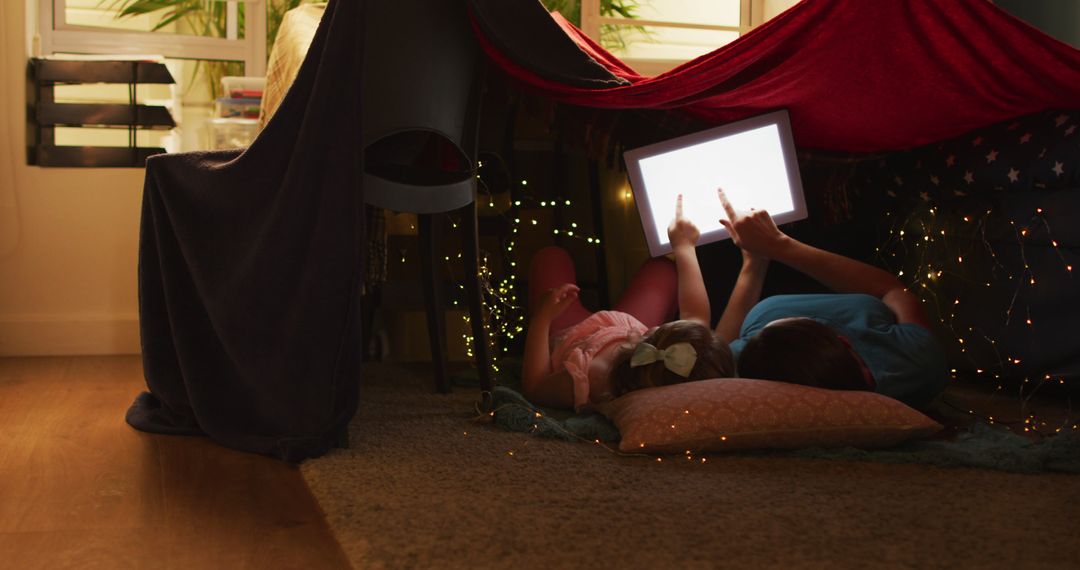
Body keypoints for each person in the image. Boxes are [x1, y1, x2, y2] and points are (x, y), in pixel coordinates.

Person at [713, 188, 949, 409]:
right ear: (843, 340)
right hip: (842, 261)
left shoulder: (746, 363)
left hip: (755, 279)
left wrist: (754, 263)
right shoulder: (915, 365)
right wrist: (779, 245)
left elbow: (716, 352)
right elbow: (894, 291)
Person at [522, 195, 734, 411]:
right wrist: (684, 247)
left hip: (573, 332)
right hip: (625, 325)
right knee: (662, 267)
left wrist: (542, 318)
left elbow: (535, 386)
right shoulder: (675, 363)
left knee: (550, 257)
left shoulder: (592, 376)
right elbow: (696, 315)